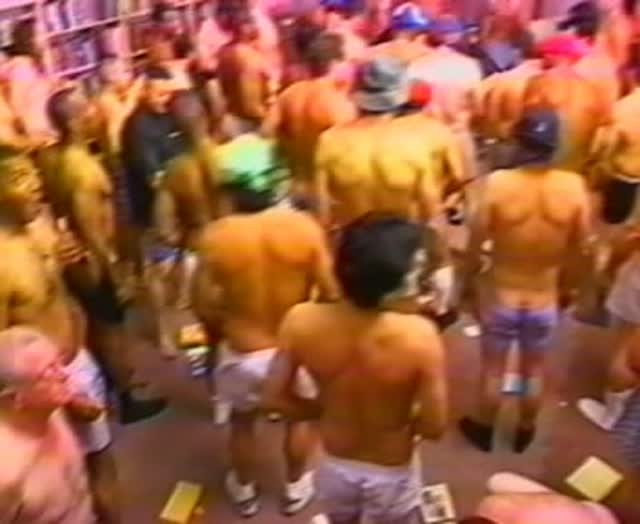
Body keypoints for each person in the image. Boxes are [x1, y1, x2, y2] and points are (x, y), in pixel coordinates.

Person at [263, 214, 449, 524]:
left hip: (334, 459)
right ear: (389, 290)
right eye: (417, 279)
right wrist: (396, 423)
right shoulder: (420, 337)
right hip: (391, 464)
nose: (421, 287)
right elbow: (434, 427)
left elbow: (273, 398)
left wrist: (324, 411)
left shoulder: (300, 320)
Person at [191, 151, 340, 517]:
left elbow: (201, 304)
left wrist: (225, 327)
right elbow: (332, 293)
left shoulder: (216, 237)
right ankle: (294, 488)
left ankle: (244, 490)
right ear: (274, 185)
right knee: (299, 418)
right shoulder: (304, 229)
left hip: (243, 348)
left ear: (230, 192)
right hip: (295, 344)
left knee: (242, 421)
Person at [459, 109, 592, 453]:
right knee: (533, 369)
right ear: (555, 147)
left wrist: (467, 284)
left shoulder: (498, 185)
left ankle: (484, 430)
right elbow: (582, 250)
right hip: (543, 295)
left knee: (493, 369)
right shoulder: (573, 188)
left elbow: (474, 244)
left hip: (501, 293)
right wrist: (570, 288)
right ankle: (524, 430)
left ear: (519, 142)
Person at [0, 154, 121, 522]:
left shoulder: (43, 229)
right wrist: (62, 396)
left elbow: (81, 289)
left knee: (101, 463)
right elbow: (5, 356)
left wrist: (77, 262)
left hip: (77, 364)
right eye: (19, 178)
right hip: (44, 391)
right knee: (66, 486)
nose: (36, 183)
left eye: (33, 174)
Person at [41, 87, 168, 423]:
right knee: (110, 329)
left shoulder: (60, 158)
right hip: (95, 262)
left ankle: (122, 384)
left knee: (106, 326)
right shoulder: (80, 170)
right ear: (75, 121)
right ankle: (127, 400)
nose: (97, 114)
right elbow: (89, 227)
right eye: (89, 110)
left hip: (89, 258)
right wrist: (112, 267)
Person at [0, 326, 97, 524]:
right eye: (48, 372)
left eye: (59, 362)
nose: (65, 375)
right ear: (15, 398)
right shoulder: (7, 473)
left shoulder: (49, 408)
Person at [262, 31, 357, 205]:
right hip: (325, 192)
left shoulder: (288, 94)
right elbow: (348, 155)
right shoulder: (338, 103)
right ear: (335, 64)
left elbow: (266, 132)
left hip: (293, 185)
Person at [121, 66, 186, 276]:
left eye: (168, 94)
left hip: (177, 206)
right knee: (162, 270)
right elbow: (154, 177)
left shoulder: (170, 114)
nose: (165, 100)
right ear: (145, 92)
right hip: (152, 210)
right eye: (159, 94)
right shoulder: (138, 127)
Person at [407, 16, 483, 179]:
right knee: (465, 187)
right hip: (458, 138)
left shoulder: (417, 66)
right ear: (458, 37)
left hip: (426, 140)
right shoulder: (470, 66)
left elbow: (410, 104)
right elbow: (477, 104)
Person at [522, 33, 609, 173]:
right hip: (575, 167)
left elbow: (527, 121)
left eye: (544, 55)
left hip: (541, 165)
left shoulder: (539, 82)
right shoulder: (591, 89)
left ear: (552, 56)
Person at [466, 472, 619, 523]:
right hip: (601, 517)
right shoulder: (493, 505)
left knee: (496, 485)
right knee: (497, 480)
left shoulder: (490, 506)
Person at [218, 11, 279, 137]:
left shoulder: (224, 52)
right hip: (254, 125)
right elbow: (251, 106)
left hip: (233, 119)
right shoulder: (248, 57)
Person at [0, 19, 56, 146]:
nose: (45, 37)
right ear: (28, 39)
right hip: (37, 132)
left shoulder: (31, 63)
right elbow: (18, 104)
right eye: (40, 34)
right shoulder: (22, 66)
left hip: (44, 129)